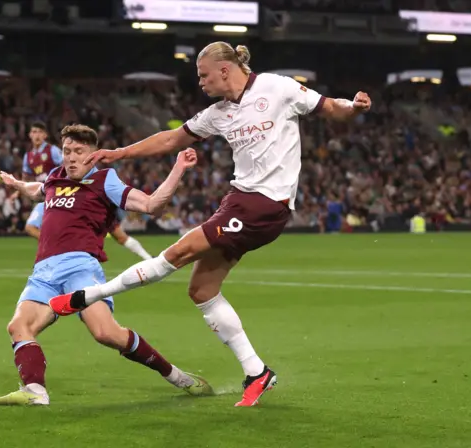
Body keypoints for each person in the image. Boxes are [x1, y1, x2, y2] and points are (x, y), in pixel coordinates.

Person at [47, 42, 372, 407]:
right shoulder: (217, 113)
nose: (199, 82)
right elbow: (171, 139)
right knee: (202, 290)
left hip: (265, 204)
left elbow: (330, 107)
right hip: (238, 200)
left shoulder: (276, 87)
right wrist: (119, 153)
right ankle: (257, 372)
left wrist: (353, 106)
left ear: (223, 70)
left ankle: (85, 297)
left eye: (203, 75)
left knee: (179, 251)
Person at [0, 124, 212, 406]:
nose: (70, 158)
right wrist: (18, 185)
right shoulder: (55, 177)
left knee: (105, 333)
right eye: (67, 151)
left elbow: (151, 204)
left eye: (79, 152)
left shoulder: (105, 179)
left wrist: (178, 168)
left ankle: (178, 377)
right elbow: (39, 190)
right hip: (43, 272)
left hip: (80, 266)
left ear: (93, 155)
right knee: (18, 326)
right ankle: (35, 392)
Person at [26, 202, 152, 260]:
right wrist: (53, 241)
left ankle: (148, 259)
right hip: (57, 258)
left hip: (82, 255)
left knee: (121, 237)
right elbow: (30, 228)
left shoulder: (85, 202)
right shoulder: (46, 204)